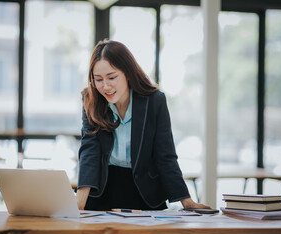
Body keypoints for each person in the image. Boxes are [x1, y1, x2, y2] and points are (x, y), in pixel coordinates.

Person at [76, 39, 210, 211]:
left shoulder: (155, 101)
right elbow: (89, 151)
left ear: (128, 73)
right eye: (98, 79)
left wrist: (187, 201)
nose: (106, 86)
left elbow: (165, 155)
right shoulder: (91, 100)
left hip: (145, 193)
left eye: (112, 77)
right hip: (103, 190)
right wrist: (79, 202)